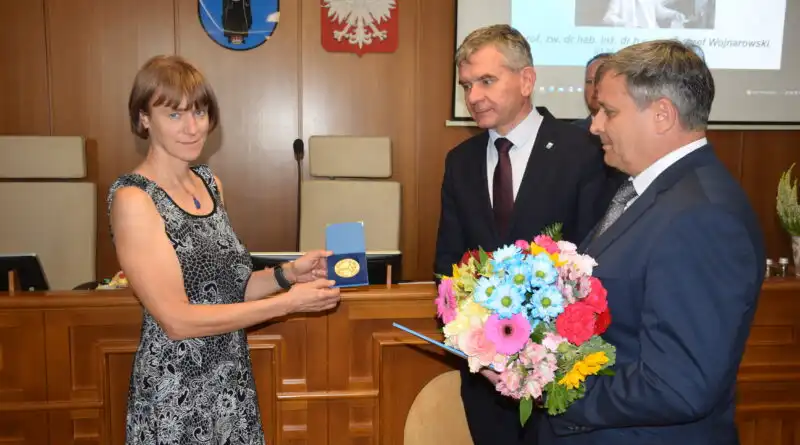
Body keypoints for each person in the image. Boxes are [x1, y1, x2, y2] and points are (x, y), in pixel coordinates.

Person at [532, 39, 765, 444]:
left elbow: (678, 384)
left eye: (609, 111)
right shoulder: (657, 194)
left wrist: (554, 391)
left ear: (661, 115)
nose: (595, 125)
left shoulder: (700, 217)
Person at [108, 55, 341, 444]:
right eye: (175, 115)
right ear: (144, 118)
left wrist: (288, 275)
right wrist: (287, 304)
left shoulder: (209, 182)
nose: (192, 127)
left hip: (229, 383)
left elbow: (230, 288)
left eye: (199, 112)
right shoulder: (135, 198)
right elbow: (177, 320)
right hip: (175, 394)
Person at [435, 24, 609, 445]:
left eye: (487, 81)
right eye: (466, 85)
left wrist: (545, 355)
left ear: (526, 80)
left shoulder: (583, 152)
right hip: (486, 384)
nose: (473, 97)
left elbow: (596, 263)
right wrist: (475, 346)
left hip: (563, 380)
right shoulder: (460, 162)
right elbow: (447, 268)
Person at [572, 53, 612, 132]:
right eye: (589, 81)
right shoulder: (570, 132)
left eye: (599, 80)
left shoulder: (633, 132)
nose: (594, 87)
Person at [603, 0, 686, 28]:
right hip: (629, 35)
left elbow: (660, 12)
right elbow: (608, 18)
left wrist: (674, 14)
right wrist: (624, 23)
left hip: (650, 34)